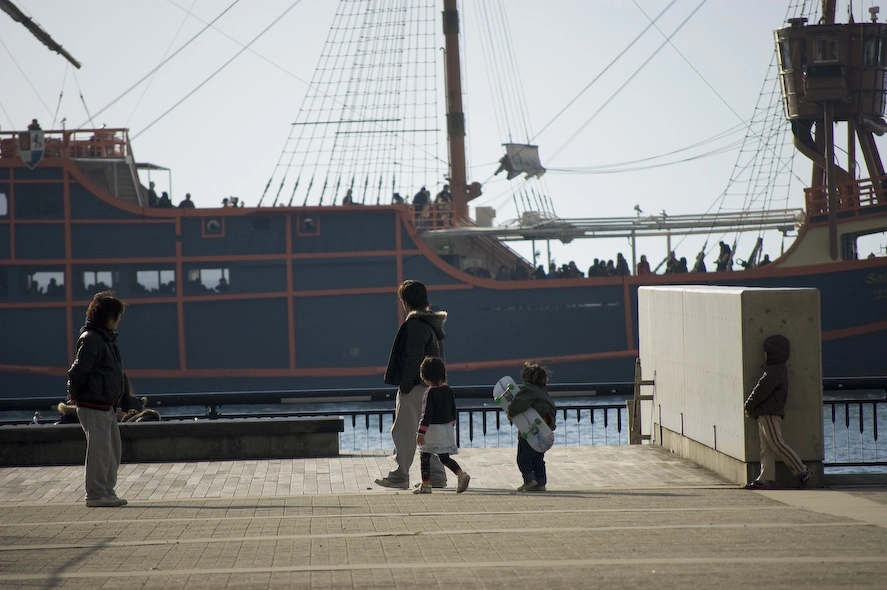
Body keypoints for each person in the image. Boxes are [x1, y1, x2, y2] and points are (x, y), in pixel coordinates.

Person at [376, 280, 449, 490]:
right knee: (428, 433)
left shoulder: (415, 325)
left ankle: (400, 475)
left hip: (415, 386)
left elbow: (412, 359)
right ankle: (436, 475)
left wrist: (405, 386)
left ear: (406, 301)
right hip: (431, 385)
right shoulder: (432, 324)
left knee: (403, 431)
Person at [66, 291, 129, 507]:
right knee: (99, 451)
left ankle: (107, 491)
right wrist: (73, 394)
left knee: (112, 450)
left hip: (105, 405)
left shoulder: (106, 339)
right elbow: (77, 371)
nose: (119, 320)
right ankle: (95, 494)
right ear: (107, 316)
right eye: (117, 315)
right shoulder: (92, 339)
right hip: (93, 404)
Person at [743, 335, 812, 490]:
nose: (764, 355)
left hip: (769, 412)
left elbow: (761, 389)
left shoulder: (774, 371)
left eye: (766, 352)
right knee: (766, 447)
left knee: (776, 444)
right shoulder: (779, 370)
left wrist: (749, 404)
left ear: (773, 352)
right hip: (767, 413)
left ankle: (802, 470)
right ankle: (765, 477)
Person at [412, 356, 471, 494]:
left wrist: (421, 431)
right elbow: (453, 409)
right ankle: (461, 474)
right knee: (444, 457)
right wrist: (452, 423)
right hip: (446, 427)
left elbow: (427, 414)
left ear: (425, 375)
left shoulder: (429, 392)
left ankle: (426, 485)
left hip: (432, 429)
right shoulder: (448, 390)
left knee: (425, 456)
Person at [507, 362, 557, 492]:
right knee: (538, 457)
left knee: (523, 457)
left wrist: (511, 412)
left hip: (531, 430)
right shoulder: (543, 392)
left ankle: (529, 480)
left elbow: (519, 403)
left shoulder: (528, 389)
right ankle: (541, 482)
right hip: (545, 429)